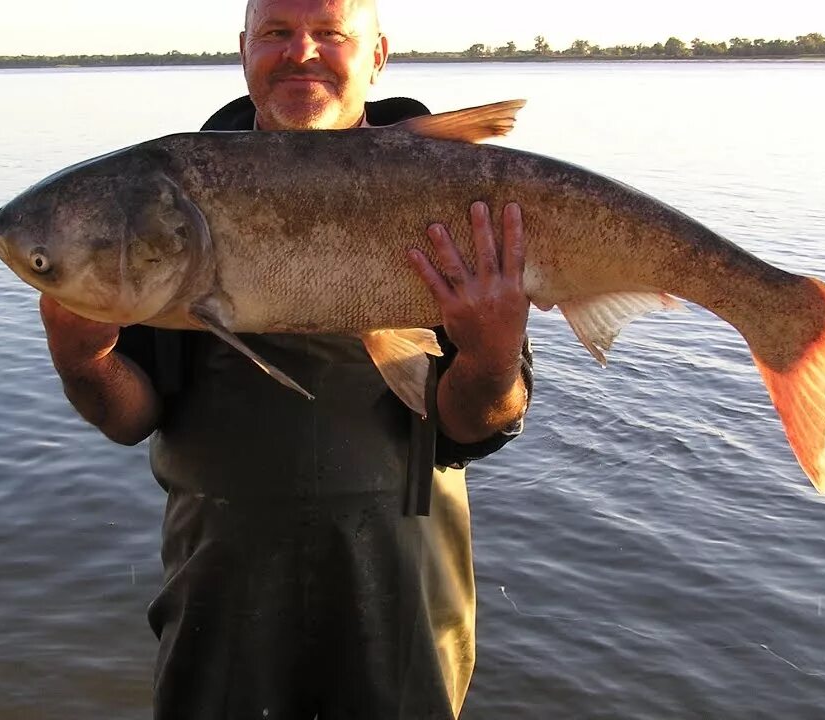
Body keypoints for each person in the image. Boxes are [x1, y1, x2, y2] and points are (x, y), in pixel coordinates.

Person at [38, 0, 532, 716]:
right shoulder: (164, 201)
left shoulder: (456, 189)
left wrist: (491, 360)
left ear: (377, 53)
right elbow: (130, 414)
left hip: (405, 568)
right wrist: (82, 363)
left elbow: (472, 427)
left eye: (330, 33)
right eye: (277, 33)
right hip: (220, 576)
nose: (301, 53)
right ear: (244, 50)